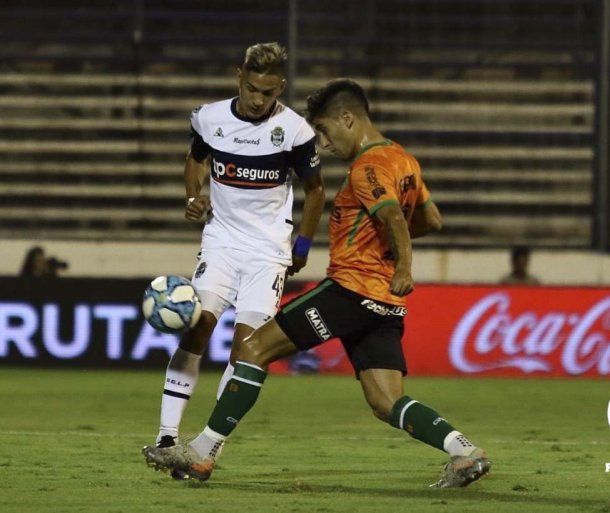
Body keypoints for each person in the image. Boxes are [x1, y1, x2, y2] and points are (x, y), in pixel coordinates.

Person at [143, 79, 490, 489]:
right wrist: (387, 254)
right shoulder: (404, 161)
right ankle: (464, 451)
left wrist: (402, 267)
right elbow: (430, 220)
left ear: (348, 119)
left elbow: (395, 218)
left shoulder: (368, 167)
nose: (323, 143)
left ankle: (201, 452)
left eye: (325, 131)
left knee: (252, 348)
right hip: (383, 304)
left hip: (351, 290)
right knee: (385, 401)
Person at [152, 42, 325, 459]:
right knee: (198, 328)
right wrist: (193, 195)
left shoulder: (296, 131)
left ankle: (206, 447)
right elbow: (196, 159)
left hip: (268, 251)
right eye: (252, 89)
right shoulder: (208, 118)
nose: (258, 99)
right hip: (222, 242)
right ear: (239, 78)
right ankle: (165, 437)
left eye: (268, 92)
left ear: (280, 87)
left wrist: (302, 244)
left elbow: (315, 191)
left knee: (246, 350)